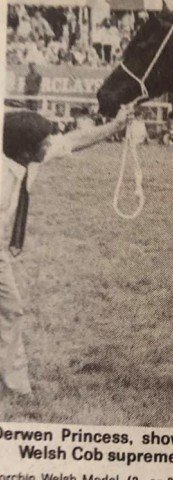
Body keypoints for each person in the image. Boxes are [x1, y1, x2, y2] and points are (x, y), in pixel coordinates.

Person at [0, 105, 133, 396]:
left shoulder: (29, 158)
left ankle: (14, 384)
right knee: (10, 309)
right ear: (24, 151)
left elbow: (74, 140)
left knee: (9, 311)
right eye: (44, 143)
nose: (51, 145)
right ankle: (15, 385)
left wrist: (115, 125)